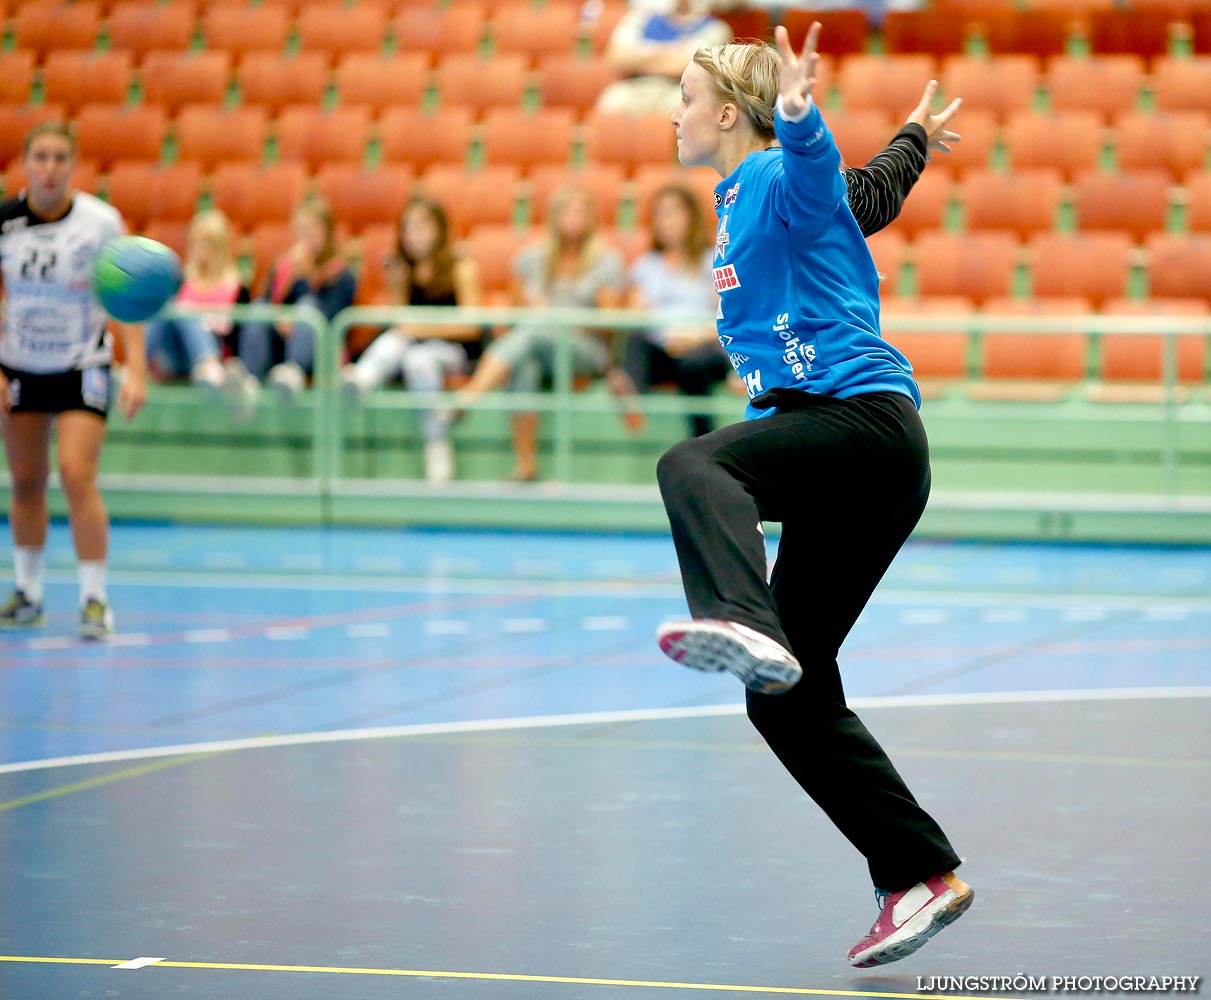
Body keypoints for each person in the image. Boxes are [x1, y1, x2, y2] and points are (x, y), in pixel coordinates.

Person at [652, 25, 973, 968]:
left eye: (681, 95)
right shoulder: (755, 201)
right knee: (784, 696)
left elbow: (814, 171)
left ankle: (732, 612)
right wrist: (912, 137)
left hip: (858, 427)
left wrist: (797, 116)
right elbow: (862, 198)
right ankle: (917, 871)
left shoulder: (769, 176)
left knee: (694, 467)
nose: (672, 112)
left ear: (723, 111)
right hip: (854, 462)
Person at [0, 122, 147, 639]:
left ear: (74, 164)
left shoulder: (100, 222)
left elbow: (123, 297)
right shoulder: (5, 221)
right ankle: (28, 592)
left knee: (75, 472)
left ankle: (94, 599)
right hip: (18, 361)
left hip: (82, 361)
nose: (50, 168)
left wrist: (136, 368)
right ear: (25, 163)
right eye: (40, 157)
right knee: (25, 479)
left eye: (60, 157)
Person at [451, 186, 626, 482]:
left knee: (533, 331)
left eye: (580, 212)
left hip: (586, 349)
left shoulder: (606, 260)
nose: (574, 218)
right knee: (525, 361)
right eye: (568, 211)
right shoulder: (531, 258)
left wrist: (560, 320)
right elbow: (514, 314)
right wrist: (539, 319)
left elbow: (609, 325)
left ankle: (470, 394)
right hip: (533, 345)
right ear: (554, 217)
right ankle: (525, 464)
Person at [340, 196, 483, 484]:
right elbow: (400, 322)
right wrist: (396, 286)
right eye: (408, 228)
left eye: (421, 226)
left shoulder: (461, 267)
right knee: (396, 342)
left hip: (454, 351)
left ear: (440, 230)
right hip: (410, 345)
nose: (414, 235)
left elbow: (472, 326)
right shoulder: (404, 271)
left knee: (419, 360)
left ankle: (436, 445)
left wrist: (422, 329)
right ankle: (363, 379)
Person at [619, 183, 732, 438]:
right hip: (662, 347)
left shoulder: (711, 261)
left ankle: (704, 439)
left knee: (694, 365)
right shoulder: (646, 266)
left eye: (673, 213)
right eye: (660, 214)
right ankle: (631, 399)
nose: (666, 222)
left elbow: (726, 317)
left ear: (691, 217)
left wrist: (694, 337)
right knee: (636, 341)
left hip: (702, 347)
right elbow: (634, 317)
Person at [236, 196, 357, 403]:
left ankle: (294, 371)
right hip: (278, 341)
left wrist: (310, 278)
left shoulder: (342, 274)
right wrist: (288, 280)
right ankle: (249, 379)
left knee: (307, 307)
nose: (306, 237)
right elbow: (270, 302)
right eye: (301, 231)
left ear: (327, 232)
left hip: (317, 348)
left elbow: (331, 316)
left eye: (312, 230)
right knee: (258, 308)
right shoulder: (284, 266)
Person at [143, 209, 256, 418]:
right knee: (170, 308)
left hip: (221, 358)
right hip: (177, 357)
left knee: (187, 313)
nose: (199, 249)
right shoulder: (181, 282)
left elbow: (240, 339)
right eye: (195, 242)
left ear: (219, 246)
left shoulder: (238, 287)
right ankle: (137, 367)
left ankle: (210, 368)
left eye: (206, 243)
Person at [597, 0, 733, 116]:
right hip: (635, 85)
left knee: (687, 109)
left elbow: (685, 66)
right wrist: (674, 51)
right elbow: (617, 57)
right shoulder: (640, 19)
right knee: (612, 100)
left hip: (679, 89)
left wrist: (641, 52)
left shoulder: (715, 28)